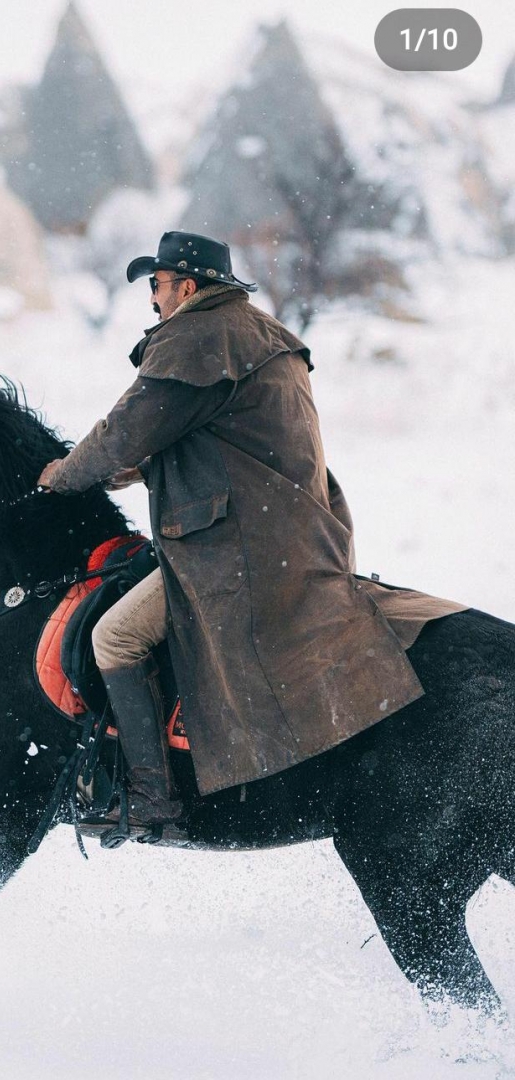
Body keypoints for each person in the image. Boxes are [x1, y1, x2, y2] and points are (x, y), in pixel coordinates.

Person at [37, 230, 462, 829]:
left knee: (114, 638)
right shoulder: (263, 335)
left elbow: (121, 433)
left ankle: (152, 796)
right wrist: (142, 469)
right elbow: (228, 443)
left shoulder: (195, 338)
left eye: (156, 287)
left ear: (186, 287)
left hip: (236, 550)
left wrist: (61, 477)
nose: (153, 302)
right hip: (299, 538)